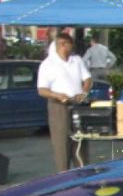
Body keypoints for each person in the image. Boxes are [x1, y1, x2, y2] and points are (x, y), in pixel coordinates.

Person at [37, 32, 92, 172]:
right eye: (70, 44)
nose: (72, 47)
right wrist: (56, 95)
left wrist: (84, 92)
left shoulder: (77, 60)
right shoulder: (47, 64)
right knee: (62, 146)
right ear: (62, 44)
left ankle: (83, 173)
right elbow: (42, 90)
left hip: (77, 103)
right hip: (59, 106)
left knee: (80, 142)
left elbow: (88, 79)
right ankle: (63, 175)